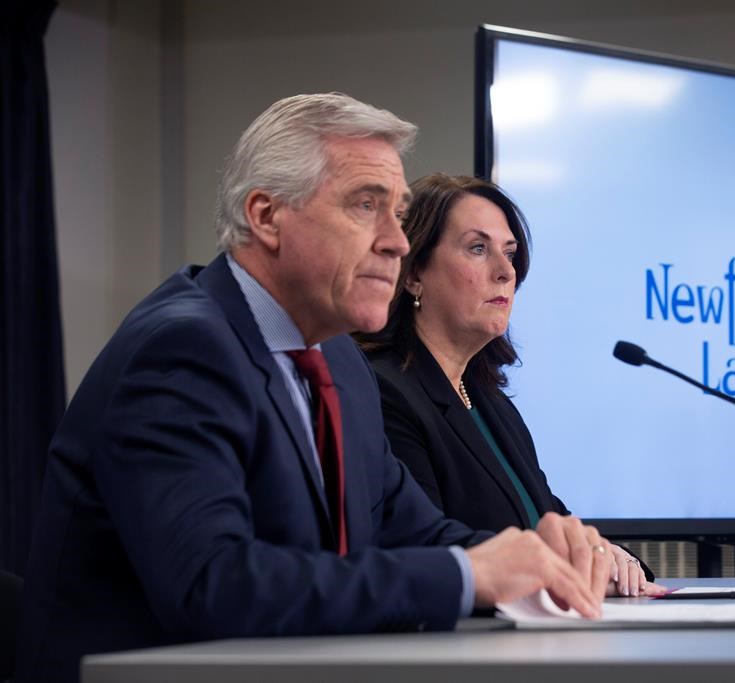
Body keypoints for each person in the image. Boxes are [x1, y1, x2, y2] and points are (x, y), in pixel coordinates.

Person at [15, 94, 616, 683]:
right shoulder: (181, 351)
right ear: (266, 216)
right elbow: (213, 584)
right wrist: (465, 575)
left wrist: (534, 559)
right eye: (365, 206)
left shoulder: (337, 362)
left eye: (398, 212)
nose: (398, 241)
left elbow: (418, 531)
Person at [360, 174, 663, 597]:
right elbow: (424, 551)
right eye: (478, 248)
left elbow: (555, 523)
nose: (506, 272)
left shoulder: (492, 404)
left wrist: (614, 557)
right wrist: (566, 569)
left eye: (510, 253)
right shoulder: (383, 392)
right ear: (413, 274)